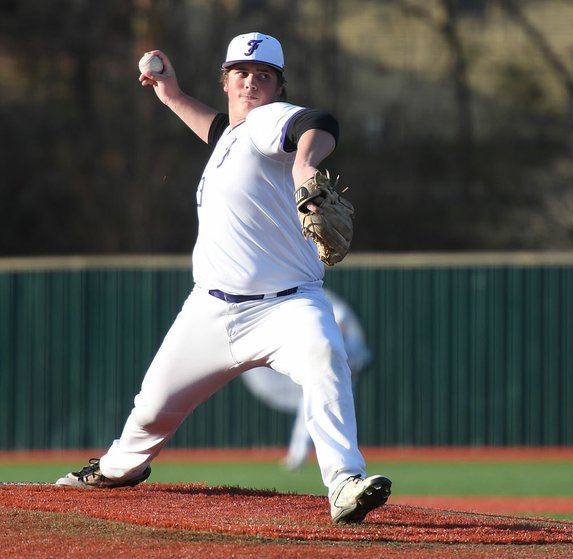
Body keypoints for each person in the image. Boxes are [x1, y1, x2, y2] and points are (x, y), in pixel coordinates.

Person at [55, 32, 391, 525]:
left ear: (277, 87)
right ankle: (118, 468)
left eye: (264, 76)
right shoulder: (234, 136)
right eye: (241, 73)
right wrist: (169, 94)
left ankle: (344, 482)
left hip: (286, 307)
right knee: (150, 411)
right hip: (210, 312)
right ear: (227, 80)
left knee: (324, 356)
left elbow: (318, 122)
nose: (251, 81)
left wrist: (305, 163)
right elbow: (216, 130)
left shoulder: (268, 122)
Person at [241, 290, 373, 470]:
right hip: (318, 379)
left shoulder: (351, 342)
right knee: (306, 417)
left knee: (342, 421)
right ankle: (298, 455)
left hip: (344, 383)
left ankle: (344, 462)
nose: (338, 327)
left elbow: (363, 362)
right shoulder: (319, 326)